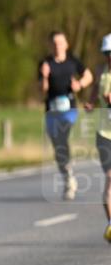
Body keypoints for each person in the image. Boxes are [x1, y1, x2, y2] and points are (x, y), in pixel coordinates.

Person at [39, 31, 93, 200]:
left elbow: (89, 76)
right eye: (54, 43)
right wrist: (45, 76)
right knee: (58, 147)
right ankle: (68, 177)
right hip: (52, 109)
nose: (58, 46)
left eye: (60, 42)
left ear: (66, 44)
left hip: (69, 108)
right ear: (50, 45)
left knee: (62, 137)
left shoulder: (73, 61)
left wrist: (79, 84)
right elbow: (42, 90)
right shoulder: (45, 63)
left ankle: (69, 175)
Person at [85, 33, 111, 242]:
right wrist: (91, 103)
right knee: (110, 179)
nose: (109, 57)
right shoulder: (102, 73)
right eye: (107, 54)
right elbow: (95, 89)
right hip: (104, 134)